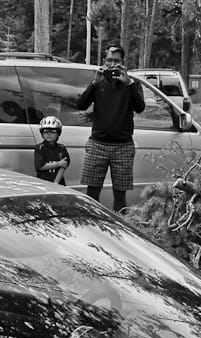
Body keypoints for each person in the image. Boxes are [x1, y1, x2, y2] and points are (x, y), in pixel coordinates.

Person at [76, 45, 145, 213]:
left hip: (123, 146)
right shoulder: (98, 83)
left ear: (123, 62)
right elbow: (81, 105)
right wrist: (94, 83)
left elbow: (140, 107)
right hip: (97, 144)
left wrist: (128, 83)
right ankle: (92, 224)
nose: (113, 64)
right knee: (92, 192)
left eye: (117, 61)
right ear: (103, 61)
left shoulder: (132, 84)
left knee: (120, 196)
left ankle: (120, 227)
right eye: (109, 60)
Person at [34, 116, 69, 185]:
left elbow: (64, 165)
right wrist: (58, 164)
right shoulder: (39, 148)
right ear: (42, 133)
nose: (49, 134)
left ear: (58, 133)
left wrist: (56, 183)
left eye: (53, 131)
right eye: (46, 131)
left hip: (59, 183)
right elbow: (40, 166)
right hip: (43, 183)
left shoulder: (61, 148)